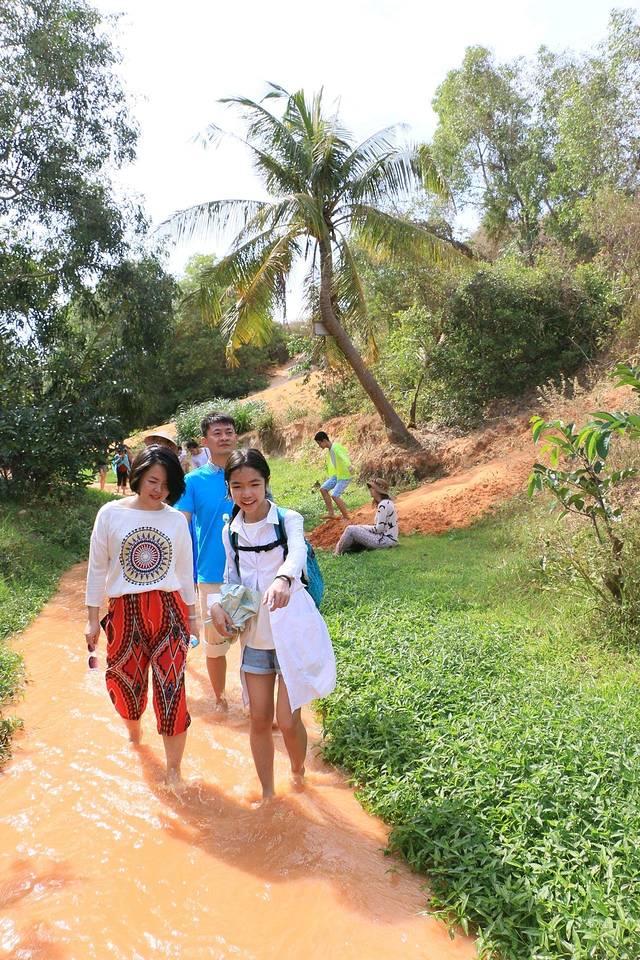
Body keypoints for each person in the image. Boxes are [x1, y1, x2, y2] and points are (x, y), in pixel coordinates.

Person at [210, 448, 336, 802]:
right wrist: (217, 605)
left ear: (266, 482)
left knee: (288, 719)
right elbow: (231, 578)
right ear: (229, 488)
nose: (246, 493)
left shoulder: (288, 519)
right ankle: (268, 795)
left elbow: (296, 554)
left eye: (254, 483)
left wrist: (282, 578)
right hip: (255, 639)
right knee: (259, 720)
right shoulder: (231, 531)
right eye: (237, 486)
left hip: (291, 633)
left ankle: (298, 772)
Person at [84, 446, 197, 785]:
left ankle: (174, 771)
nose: (158, 490)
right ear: (137, 476)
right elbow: (96, 568)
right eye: (152, 481)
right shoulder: (110, 514)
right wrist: (92, 618)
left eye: (166, 484)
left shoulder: (175, 520)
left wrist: (192, 620)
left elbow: (185, 571)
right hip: (124, 613)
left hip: (169, 611)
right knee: (126, 685)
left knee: (172, 690)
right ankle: (135, 739)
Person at [174, 412, 237, 712]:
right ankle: (221, 700)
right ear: (205, 440)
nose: (224, 437)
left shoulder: (247, 471)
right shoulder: (193, 481)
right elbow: (179, 525)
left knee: (256, 645)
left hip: (250, 573)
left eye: (229, 431)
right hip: (211, 576)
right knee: (215, 647)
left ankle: (255, 705)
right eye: (217, 433)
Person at [334, 477, 399, 555]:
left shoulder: (383, 505)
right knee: (355, 531)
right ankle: (345, 550)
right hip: (387, 539)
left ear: (377, 490)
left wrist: (362, 527)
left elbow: (379, 529)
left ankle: (337, 554)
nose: (370, 490)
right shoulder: (387, 502)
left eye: (372, 488)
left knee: (350, 529)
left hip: (385, 541)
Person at [314, 430, 352, 520]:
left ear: (324, 440)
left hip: (344, 476)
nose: (319, 446)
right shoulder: (330, 450)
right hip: (337, 475)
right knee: (323, 489)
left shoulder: (336, 447)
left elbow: (343, 456)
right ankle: (331, 513)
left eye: (319, 443)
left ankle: (347, 517)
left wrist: (349, 466)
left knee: (335, 495)